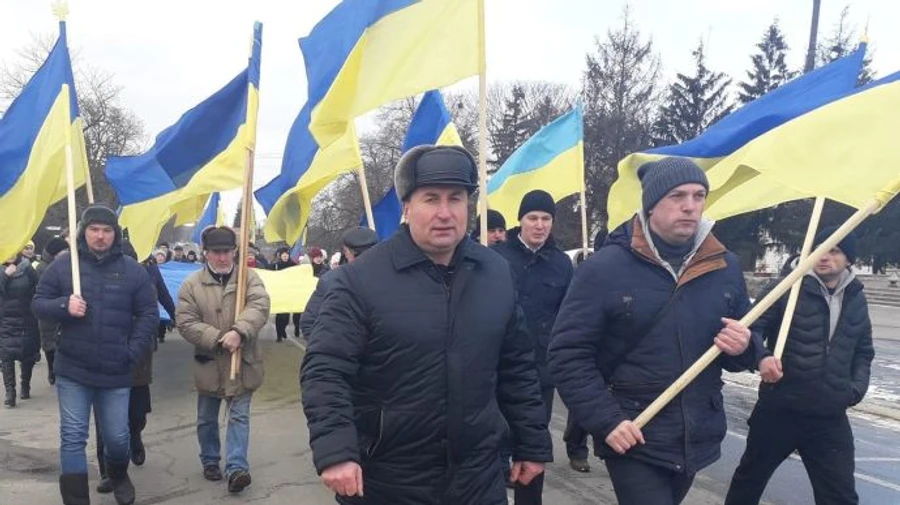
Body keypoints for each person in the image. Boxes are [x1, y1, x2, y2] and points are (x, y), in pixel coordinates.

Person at [301, 145, 552, 504]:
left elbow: (516, 367)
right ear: (407, 207)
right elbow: (325, 371)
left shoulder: (495, 273)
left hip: (478, 478)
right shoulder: (358, 281)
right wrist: (336, 451)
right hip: (387, 479)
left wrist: (531, 442)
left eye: (457, 198)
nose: (445, 213)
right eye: (431, 199)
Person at [548, 157, 757, 505]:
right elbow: (567, 354)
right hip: (632, 431)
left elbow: (742, 348)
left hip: (695, 433)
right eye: (677, 196)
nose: (690, 206)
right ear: (651, 204)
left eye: (698, 195)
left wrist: (746, 346)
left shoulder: (724, 265)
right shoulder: (604, 268)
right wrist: (606, 421)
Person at [724, 227, 874, 505]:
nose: (824, 256)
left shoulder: (855, 297)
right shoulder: (787, 287)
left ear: (849, 259)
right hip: (780, 409)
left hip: (829, 416)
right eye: (819, 249)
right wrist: (762, 357)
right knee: (748, 483)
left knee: (840, 496)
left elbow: (863, 350)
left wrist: (854, 390)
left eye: (834, 250)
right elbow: (752, 329)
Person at [32, 204, 158, 505]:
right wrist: (65, 305)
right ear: (83, 232)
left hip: (117, 370)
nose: (100, 236)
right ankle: (76, 499)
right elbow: (38, 303)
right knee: (73, 437)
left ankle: (117, 472)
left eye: (106, 230)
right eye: (93, 230)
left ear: (115, 234)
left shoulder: (132, 270)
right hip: (73, 368)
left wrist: (133, 352)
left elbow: (148, 314)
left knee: (117, 438)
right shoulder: (64, 267)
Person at [491, 189, 573, 503]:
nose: (539, 225)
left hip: (540, 371)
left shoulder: (562, 264)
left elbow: (568, 314)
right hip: (497, 367)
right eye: (533, 218)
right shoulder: (498, 257)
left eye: (546, 218)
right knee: (495, 445)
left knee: (532, 447)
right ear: (521, 221)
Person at [176, 226, 270, 494]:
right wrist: (218, 337)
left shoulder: (248, 279)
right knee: (207, 418)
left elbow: (260, 306)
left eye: (227, 252)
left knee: (239, 416)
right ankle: (210, 459)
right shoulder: (191, 285)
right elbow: (185, 321)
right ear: (206, 253)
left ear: (234, 252)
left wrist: (240, 331)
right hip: (209, 362)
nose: (221, 258)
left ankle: (237, 468)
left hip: (243, 361)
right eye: (216, 252)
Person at [96, 241, 176, 494]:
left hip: (139, 349)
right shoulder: (95, 272)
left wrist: (175, 315)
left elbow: (161, 293)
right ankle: (108, 471)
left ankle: (135, 433)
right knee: (104, 416)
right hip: (104, 351)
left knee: (136, 410)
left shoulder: (149, 270)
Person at [562, 226, 609, 465]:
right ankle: (577, 448)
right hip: (589, 347)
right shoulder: (587, 273)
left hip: (616, 351)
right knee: (585, 400)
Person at [300, 226, 378, 338]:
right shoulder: (332, 280)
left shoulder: (330, 279)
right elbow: (310, 323)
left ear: (346, 252)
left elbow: (309, 322)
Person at [1, 253, 41, 407]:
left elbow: (38, 287)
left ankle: (26, 384)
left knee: (27, 356)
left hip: (26, 318)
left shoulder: (27, 268)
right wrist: (5, 275)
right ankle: (10, 392)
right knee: (7, 357)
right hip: (6, 320)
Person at [35, 237, 69, 385]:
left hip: (64, 308)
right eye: (63, 252)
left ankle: (59, 370)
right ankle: (51, 370)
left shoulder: (68, 265)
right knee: (49, 345)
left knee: (61, 343)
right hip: (48, 311)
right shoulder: (42, 268)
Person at [272, 247, 298, 342]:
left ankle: (283, 329)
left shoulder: (293, 265)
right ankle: (279, 335)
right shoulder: (276, 265)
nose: (285, 256)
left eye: (286, 255)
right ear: (280, 256)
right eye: (283, 255)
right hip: (279, 293)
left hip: (289, 293)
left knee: (286, 317)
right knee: (280, 315)